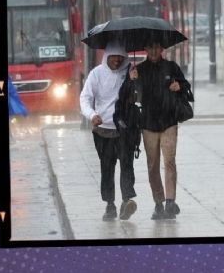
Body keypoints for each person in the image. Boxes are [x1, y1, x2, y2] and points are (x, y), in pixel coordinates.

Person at [79, 41, 138, 221]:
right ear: (107, 57)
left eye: (121, 57)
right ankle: (110, 204)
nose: (117, 61)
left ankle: (126, 200)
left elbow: (139, 97)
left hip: (125, 130)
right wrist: (92, 115)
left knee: (127, 165)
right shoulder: (96, 74)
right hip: (103, 131)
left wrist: (135, 81)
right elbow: (85, 98)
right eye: (114, 57)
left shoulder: (131, 73)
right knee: (107, 168)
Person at [134, 41, 192, 220]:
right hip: (148, 124)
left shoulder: (171, 67)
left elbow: (186, 86)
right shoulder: (139, 70)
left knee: (169, 162)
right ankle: (158, 203)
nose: (153, 50)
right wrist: (132, 80)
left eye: (156, 47)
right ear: (145, 49)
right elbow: (131, 96)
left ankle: (170, 201)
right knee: (152, 166)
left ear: (161, 49)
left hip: (169, 122)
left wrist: (179, 86)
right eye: (150, 47)